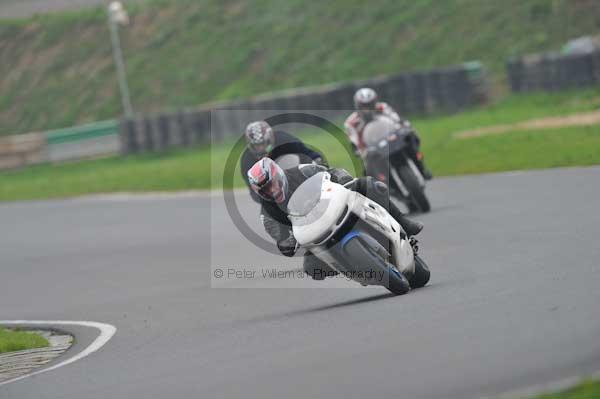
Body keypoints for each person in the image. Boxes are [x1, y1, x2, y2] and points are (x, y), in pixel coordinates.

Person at [247, 157, 423, 279]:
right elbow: (282, 241)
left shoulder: (301, 171)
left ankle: (403, 222)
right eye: (265, 190)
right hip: (316, 234)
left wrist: (343, 179)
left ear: (278, 175)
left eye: (272, 184)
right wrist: (287, 242)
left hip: (336, 207)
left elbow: (330, 172)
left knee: (370, 185)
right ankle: (353, 265)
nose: (272, 190)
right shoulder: (268, 215)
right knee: (312, 269)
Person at [344, 87, 432, 179]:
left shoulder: (383, 107)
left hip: (391, 138)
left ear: (374, 102)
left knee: (411, 138)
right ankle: (383, 186)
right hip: (372, 148)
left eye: (370, 105)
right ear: (358, 106)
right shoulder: (351, 122)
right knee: (366, 170)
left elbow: (397, 120)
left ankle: (422, 168)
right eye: (364, 106)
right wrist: (361, 151)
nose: (367, 109)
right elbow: (354, 141)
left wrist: (404, 128)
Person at [240, 121, 326, 202]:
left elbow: (307, 153)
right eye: (256, 146)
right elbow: (253, 190)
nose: (260, 148)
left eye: (263, 144)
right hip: (273, 193)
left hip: (297, 178)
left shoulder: (285, 140)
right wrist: (269, 200)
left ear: (270, 139)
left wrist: (318, 163)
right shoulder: (247, 159)